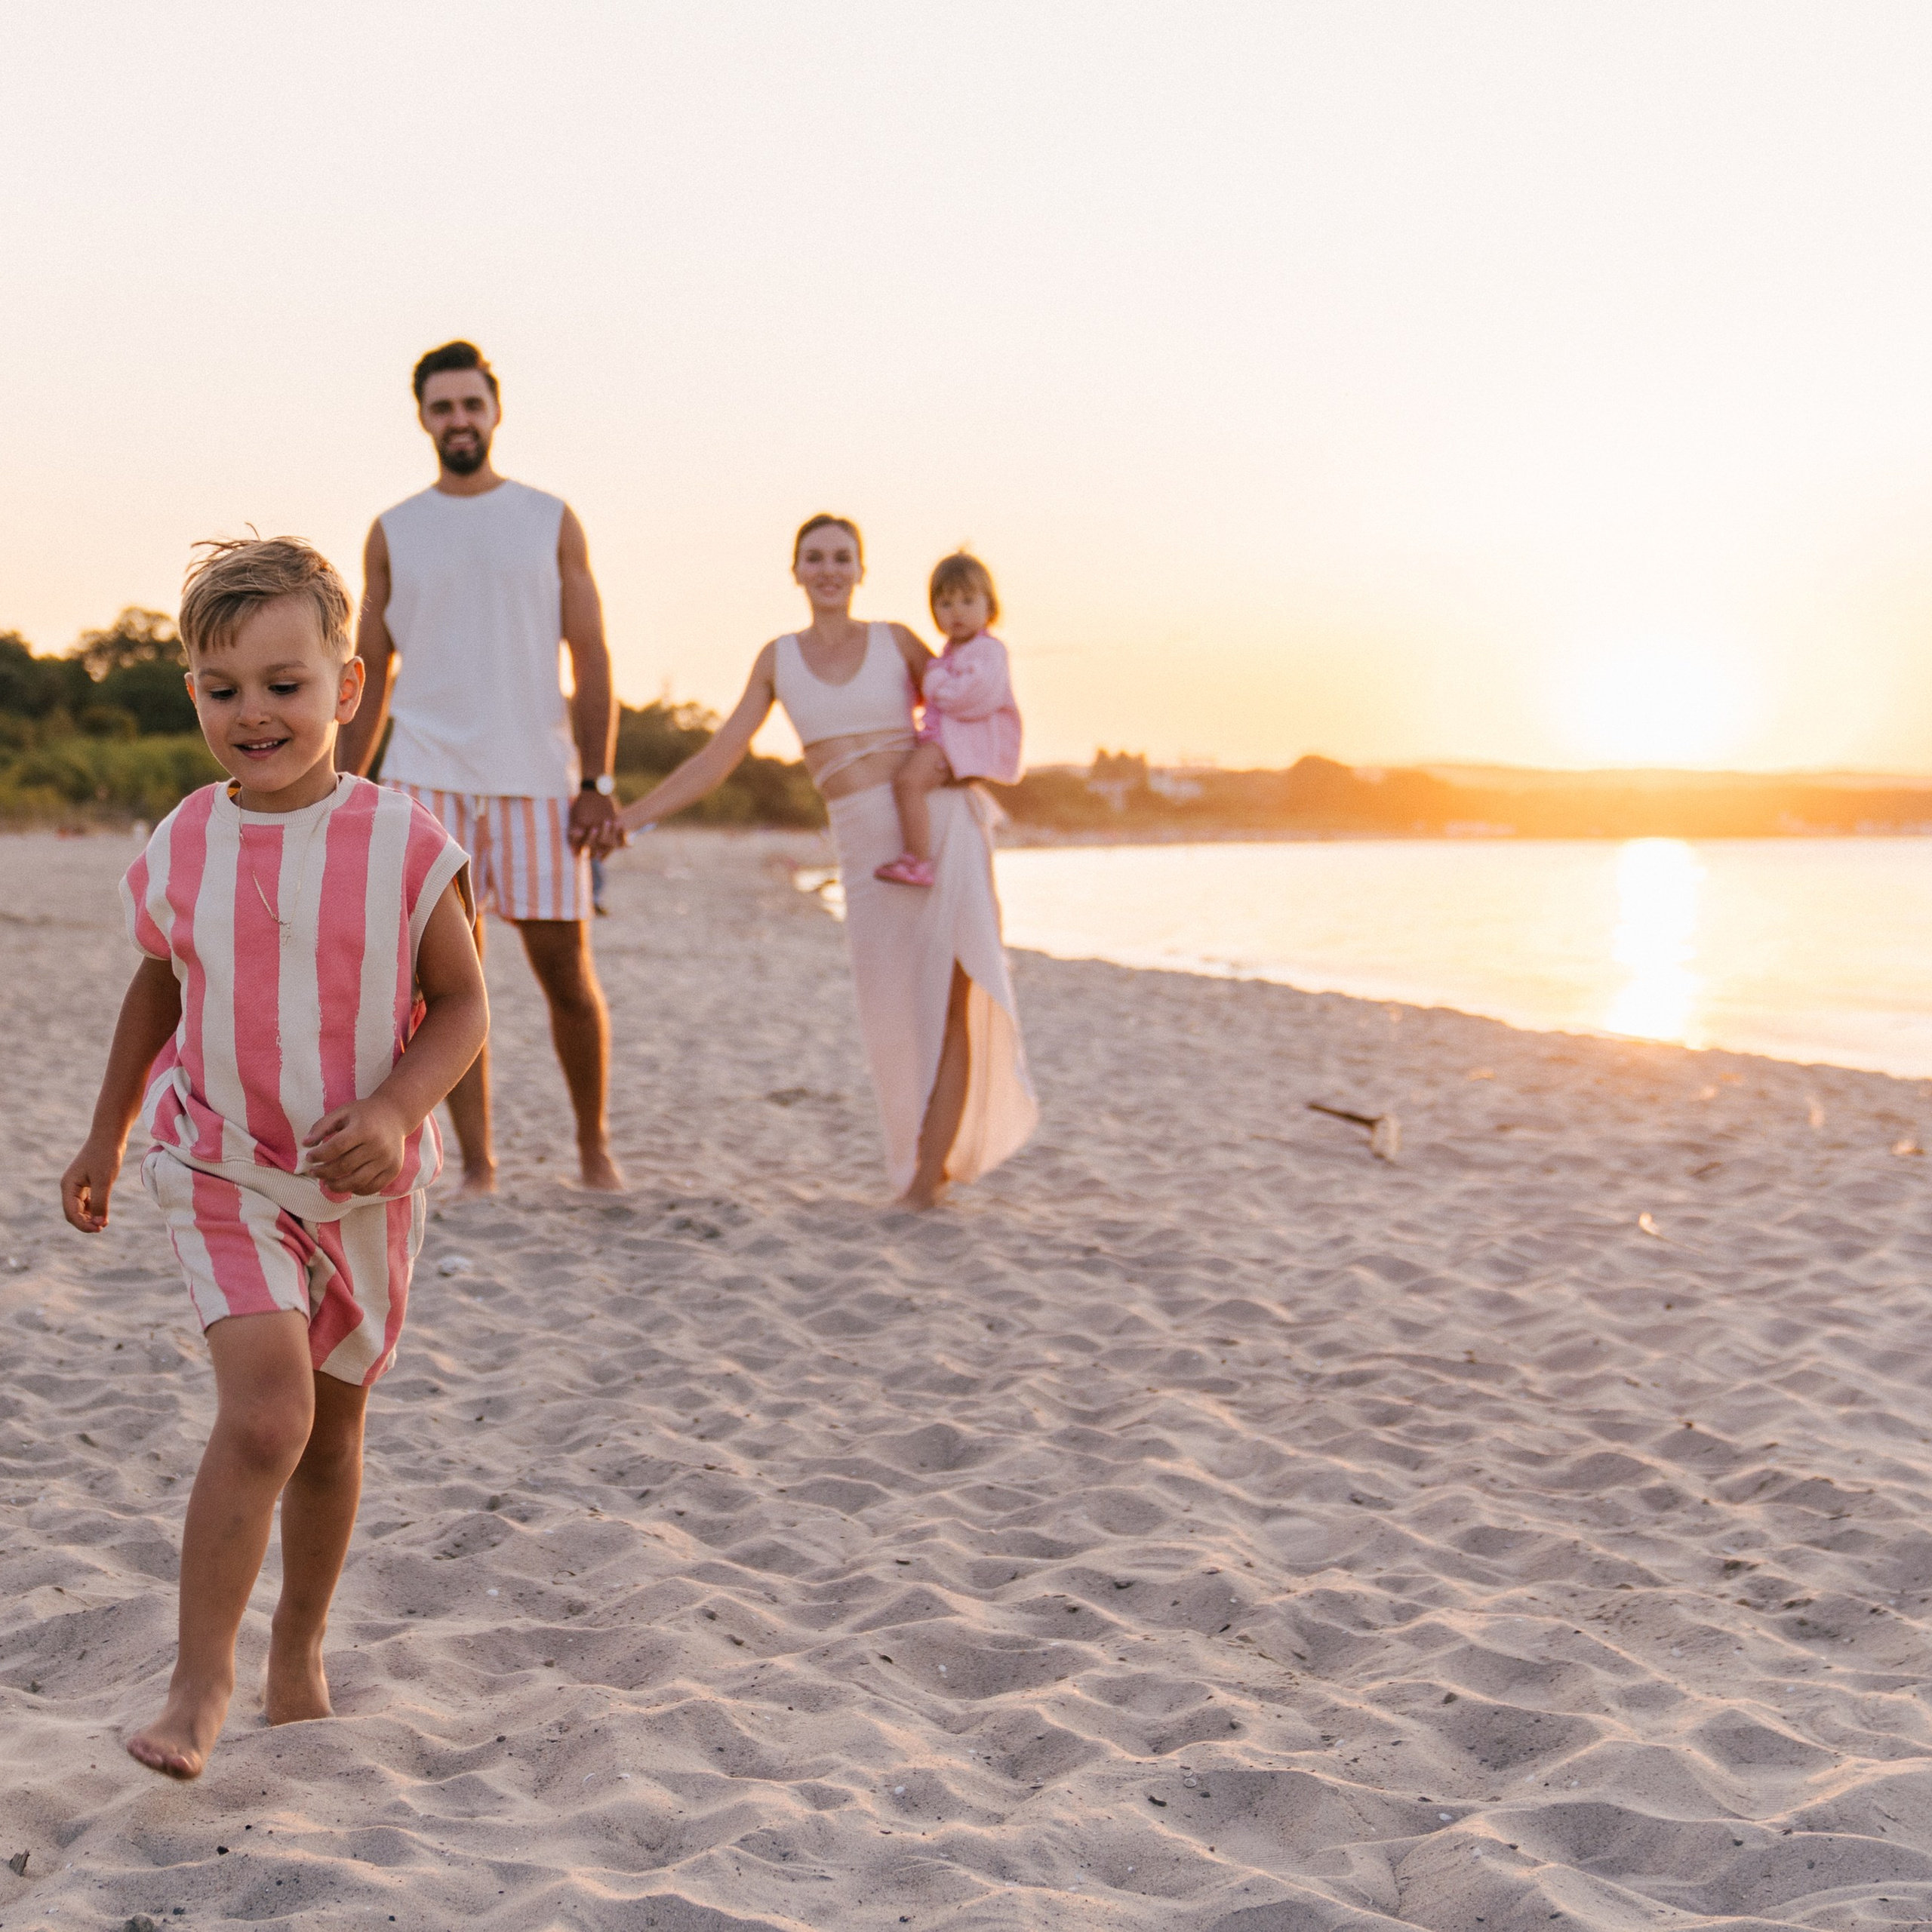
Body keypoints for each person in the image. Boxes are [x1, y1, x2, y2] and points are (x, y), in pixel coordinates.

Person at [60, 537, 489, 1780]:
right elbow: (158, 981)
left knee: (336, 1433)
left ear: (347, 689)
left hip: (363, 1186)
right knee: (266, 1416)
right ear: (192, 690)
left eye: (285, 684)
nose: (255, 713)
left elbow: (463, 1009)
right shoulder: (187, 840)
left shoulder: (407, 845)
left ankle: (300, 1650)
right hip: (221, 1163)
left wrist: (402, 1110)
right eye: (222, 686)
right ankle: (199, 1686)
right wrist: (109, 1128)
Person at [616, 515, 1037, 1207]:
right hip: (865, 851)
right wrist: (631, 818)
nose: (829, 569)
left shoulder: (898, 642)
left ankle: (926, 1182)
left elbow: (967, 700)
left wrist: (982, 767)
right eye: (815, 557)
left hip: (938, 831)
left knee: (961, 995)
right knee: (893, 1013)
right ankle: (917, 1166)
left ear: (861, 569)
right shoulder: (777, 659)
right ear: (796, 571)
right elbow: (718, 758)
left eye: (843, 557)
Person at [336, 340, 624, 1194]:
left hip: (538, 775)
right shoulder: (394, 529)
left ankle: (592, 1149)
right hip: (424, 775)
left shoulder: (549, 518)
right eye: (442, 407)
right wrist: (348, 788)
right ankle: (478, 1166)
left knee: (567, 974)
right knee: (446, 983)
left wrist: (596, 782)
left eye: (471, 405)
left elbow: (593, 654)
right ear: (423, 417)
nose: (458, 420)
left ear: (494, 411)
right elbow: (368, 668)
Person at [875, 551, 1023, 887]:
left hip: (956, 745)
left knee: (908, 782)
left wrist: (935, 680)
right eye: (945, 603)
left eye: (968, 601)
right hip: (945, 739)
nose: (956, 611)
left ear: (990, 607)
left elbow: (973, 697)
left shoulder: (990, 651)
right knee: (903, 779)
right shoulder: (951, 653)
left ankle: (917, 861)